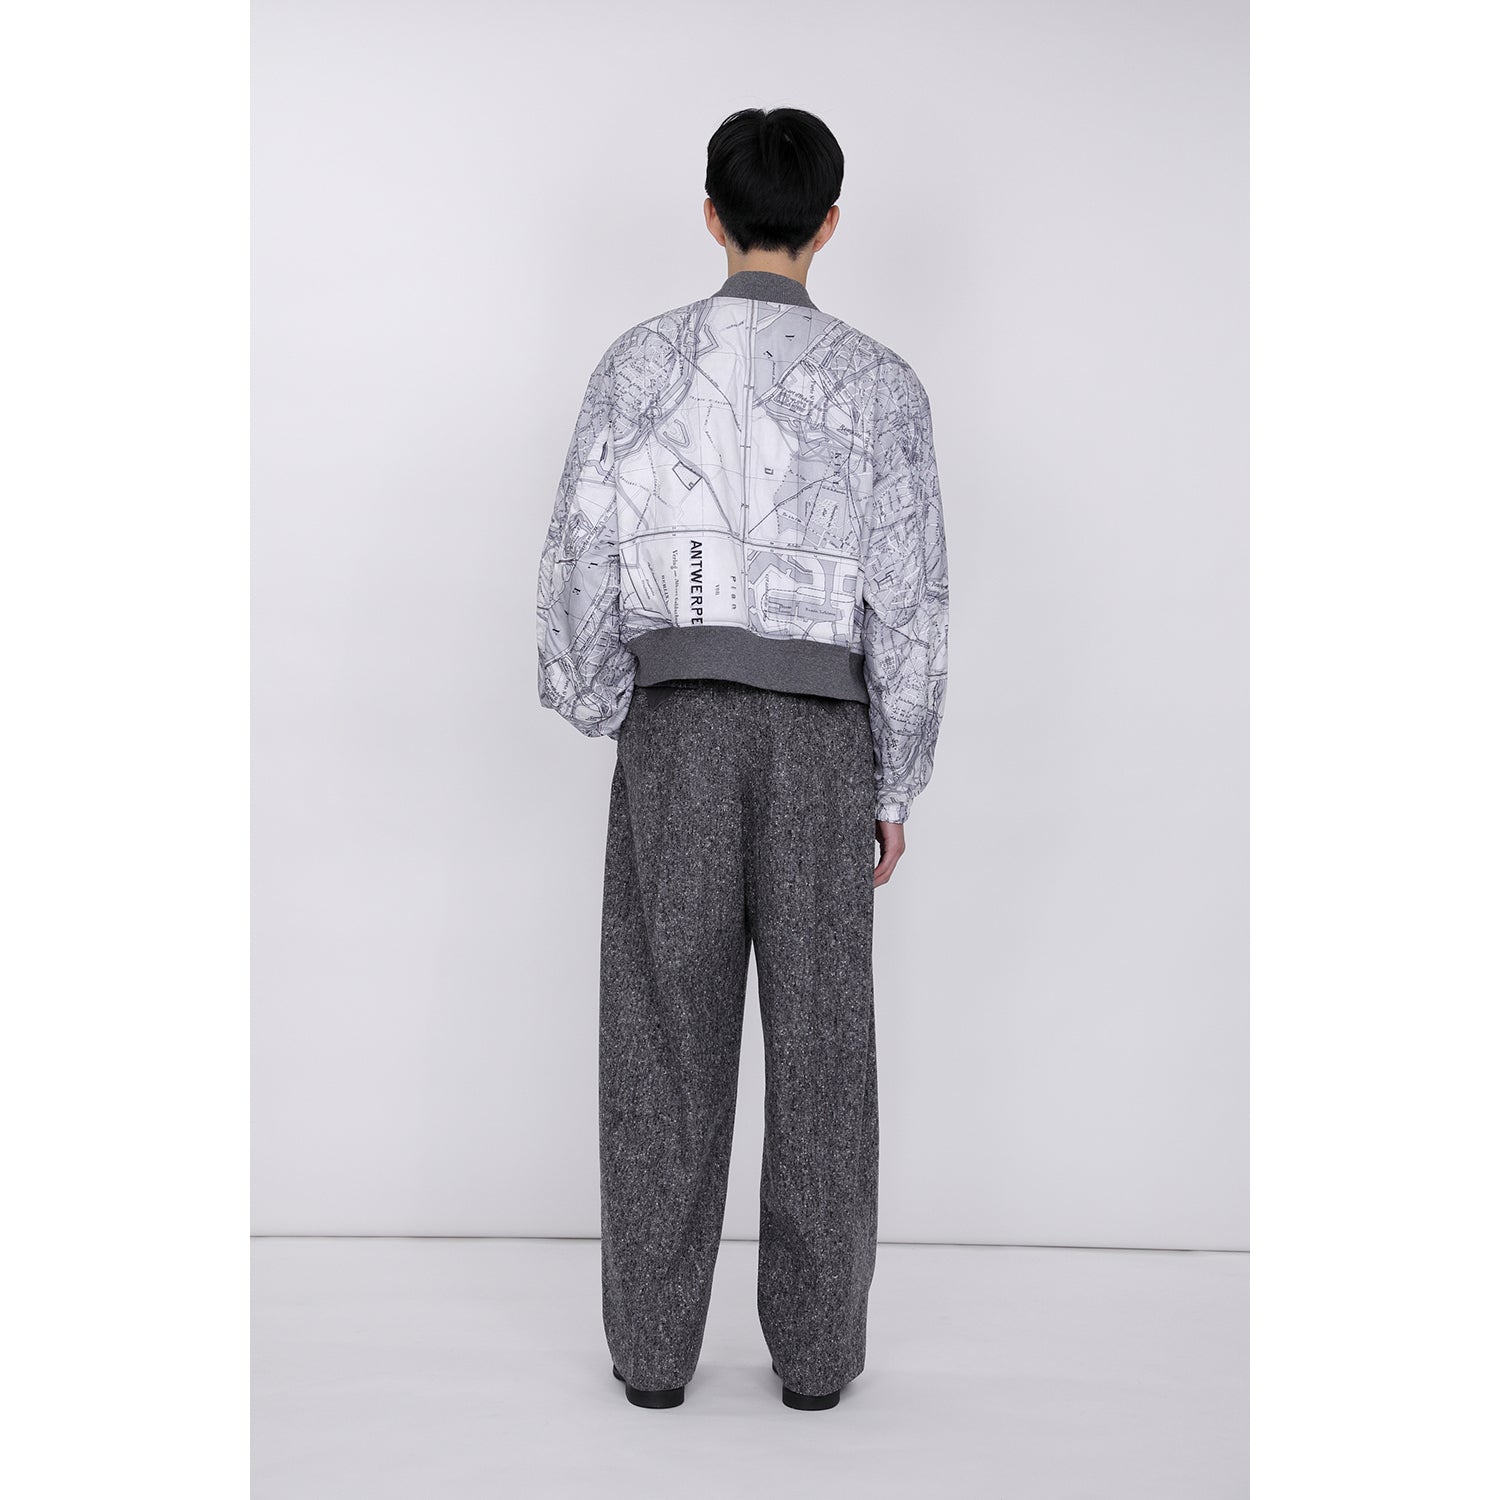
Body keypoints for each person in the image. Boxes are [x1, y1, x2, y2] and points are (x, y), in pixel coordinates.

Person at [535, 106, 949, 1412]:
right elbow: (912, 598)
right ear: (829, 224)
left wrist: (614, 700)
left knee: (663, 1034)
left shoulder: (637, 366)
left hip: (681, 728)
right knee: (825, 1044)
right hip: (823, 739)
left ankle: (655, 1358)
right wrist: (894, 776)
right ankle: (816, 1361)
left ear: (711, 214)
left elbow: (579, 555)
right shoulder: (883, 385)